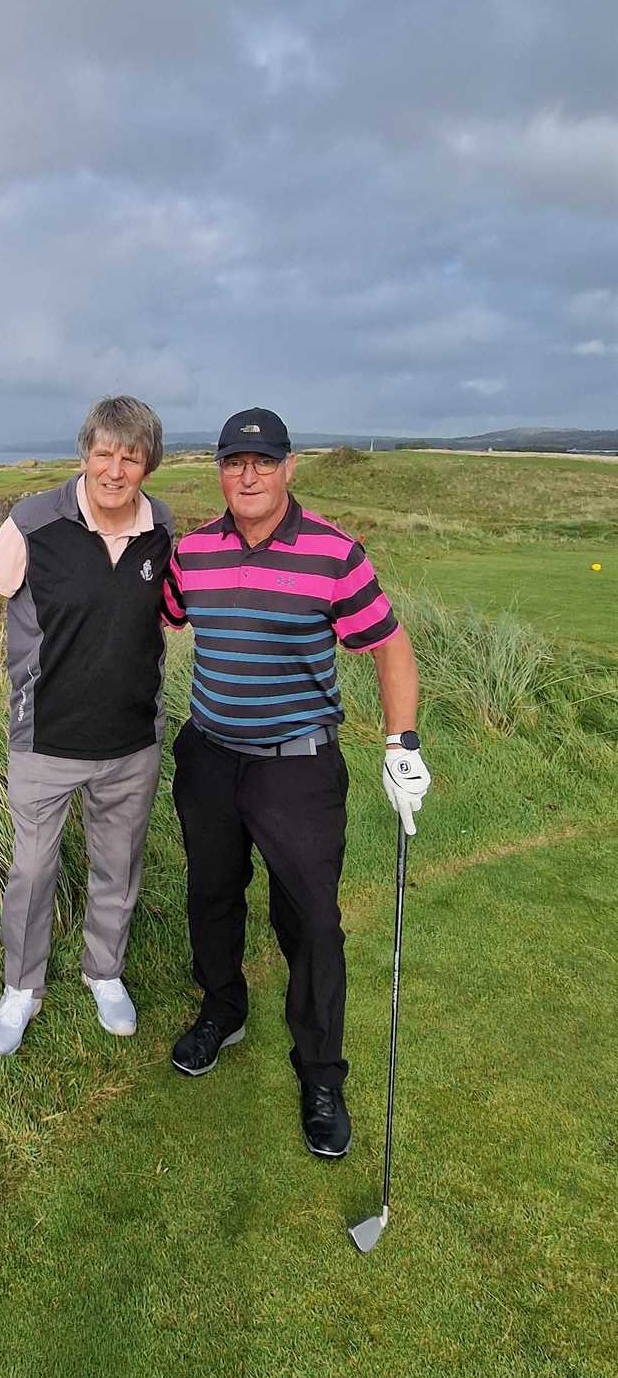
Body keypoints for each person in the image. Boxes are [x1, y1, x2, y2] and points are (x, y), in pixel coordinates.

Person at [160, 408, 431, 1158]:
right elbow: (161, 617)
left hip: (299, 764)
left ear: (288, 468)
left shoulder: (333, 553)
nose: (248, 475)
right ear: (219, 469)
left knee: (311, 920)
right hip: (210, 755)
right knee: (211, 893)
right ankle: (224, 1009)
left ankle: (320, 1072)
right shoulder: (194, 552)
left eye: (264, 461)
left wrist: (401, 742)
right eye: (234, 461)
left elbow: (389, 647)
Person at [0, 396, 175, 1055]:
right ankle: (21, 987)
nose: (114, 469)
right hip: (43, 738)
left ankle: (105, 971)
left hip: (131, 740)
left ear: (146, 466)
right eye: (104, 453)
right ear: (85, 454)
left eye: (130, 457)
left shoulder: (161, 526)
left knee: (118, 865)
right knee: (32, 871)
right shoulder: (34, 522)